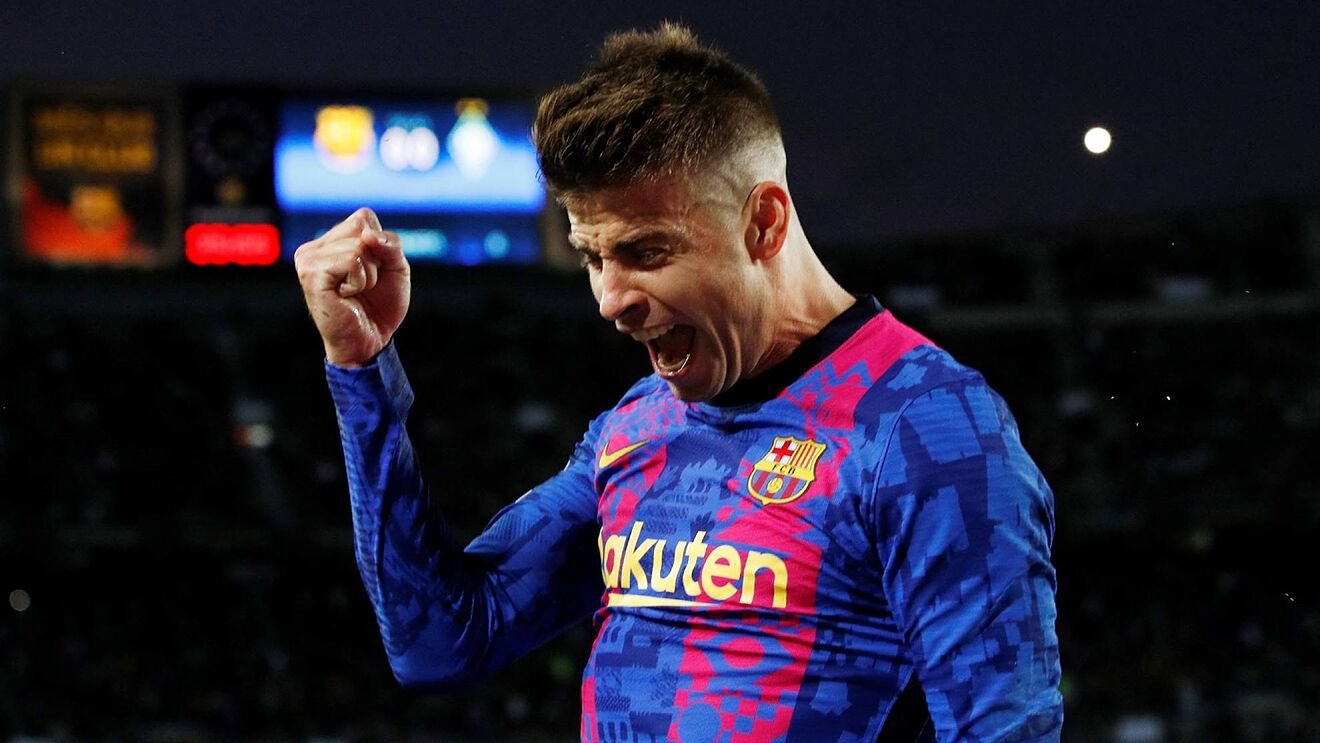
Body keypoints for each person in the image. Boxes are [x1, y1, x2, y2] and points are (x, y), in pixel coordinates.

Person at [294, 23, 1063, 742]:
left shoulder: (927, 427)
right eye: (594, 257)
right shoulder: (638, 424)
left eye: (645, 252)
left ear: (763, 223)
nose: (609, 299)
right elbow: (441, 641)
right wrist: (361, 371)